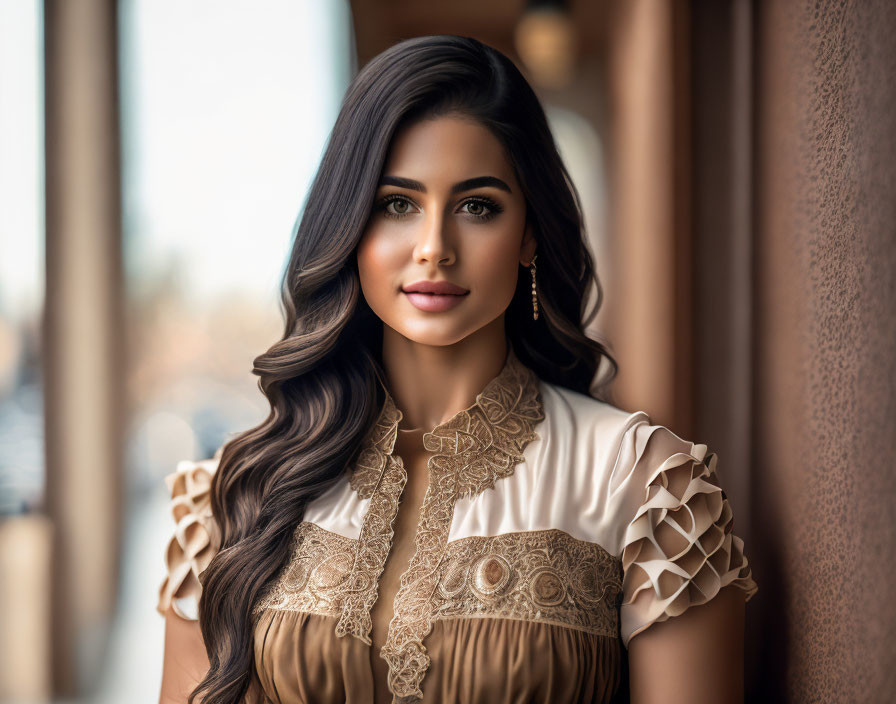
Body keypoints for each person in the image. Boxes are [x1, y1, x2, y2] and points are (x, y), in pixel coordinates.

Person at [156, 34, 758, 704]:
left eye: (478, 206)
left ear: (529, 231)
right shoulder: (232, 497)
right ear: (351, 228)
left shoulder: (646, 488)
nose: (434, 248)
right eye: (397, 204)